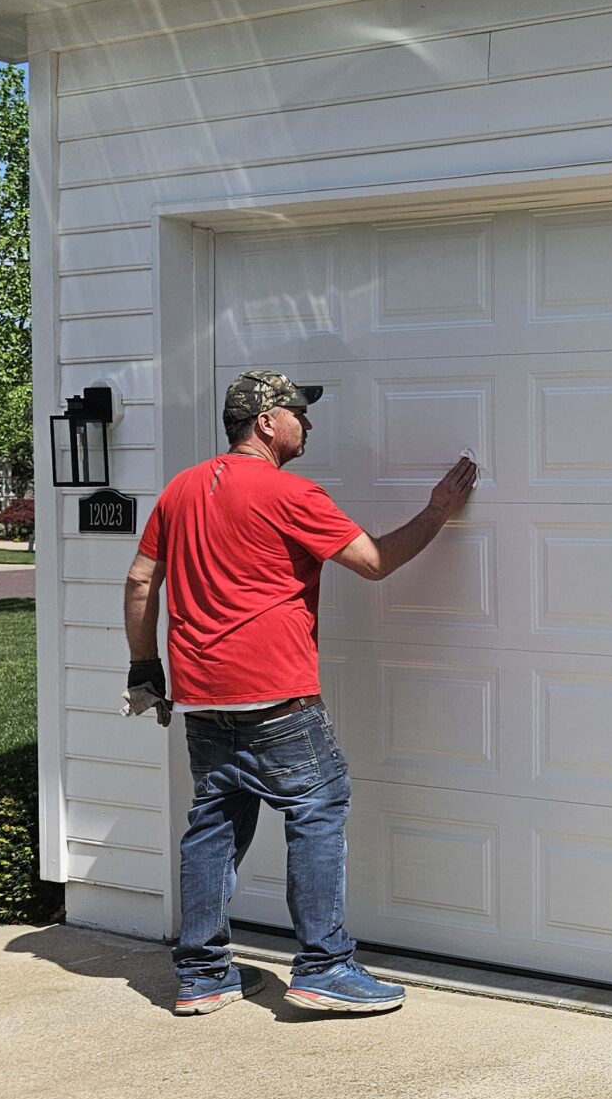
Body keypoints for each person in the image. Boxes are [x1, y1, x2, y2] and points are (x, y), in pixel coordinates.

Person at [122, 368, 478, 1016]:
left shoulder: (180, 489)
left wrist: (145, 669)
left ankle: (202, 975)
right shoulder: (290, 493)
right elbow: (374, 562)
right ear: (266, 422)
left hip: (203, 698)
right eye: (298, 412)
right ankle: (324, 966)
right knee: (317, 809)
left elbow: (142, 580)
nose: (307, 423)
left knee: (214, 826)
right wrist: (437, 512)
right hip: (276, 699)